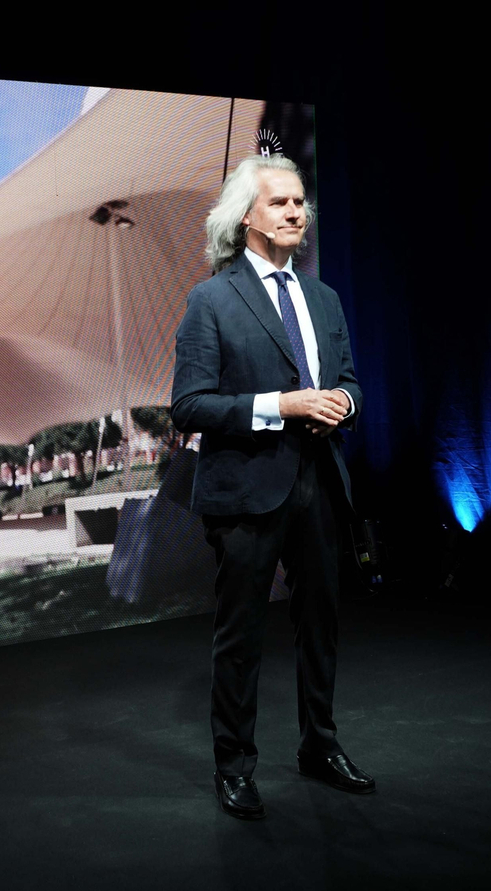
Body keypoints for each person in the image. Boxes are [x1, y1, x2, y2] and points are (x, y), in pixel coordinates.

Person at [171, 154, 373, 820]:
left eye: (300, 202)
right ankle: (234, 765)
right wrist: (279, 406)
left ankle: (320, 746)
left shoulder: (324, 298)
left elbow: (348, 378)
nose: (297, 212)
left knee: (322, 626)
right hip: (247, 490)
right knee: (242, 635)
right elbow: (190, 405)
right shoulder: (212, 299)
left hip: (319, 481)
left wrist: (344, 399)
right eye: (282, 202)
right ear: (246, 217)